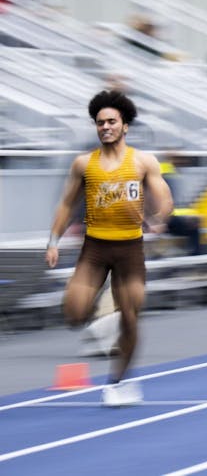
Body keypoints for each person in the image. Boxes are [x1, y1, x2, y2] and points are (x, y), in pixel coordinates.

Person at [45, 90, 173, 405]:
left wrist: (158, 218)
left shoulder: (143, 161)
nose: (105, 127)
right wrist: (53, 241)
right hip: (95, 249)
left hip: (130, 249)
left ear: (124, 125)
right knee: (74, 314)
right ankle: (101, 311)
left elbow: (165, 198)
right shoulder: (83, 164)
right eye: (100, 122)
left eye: (111, 121)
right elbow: (65, 204)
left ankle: (117, 383)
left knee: (130, 317)